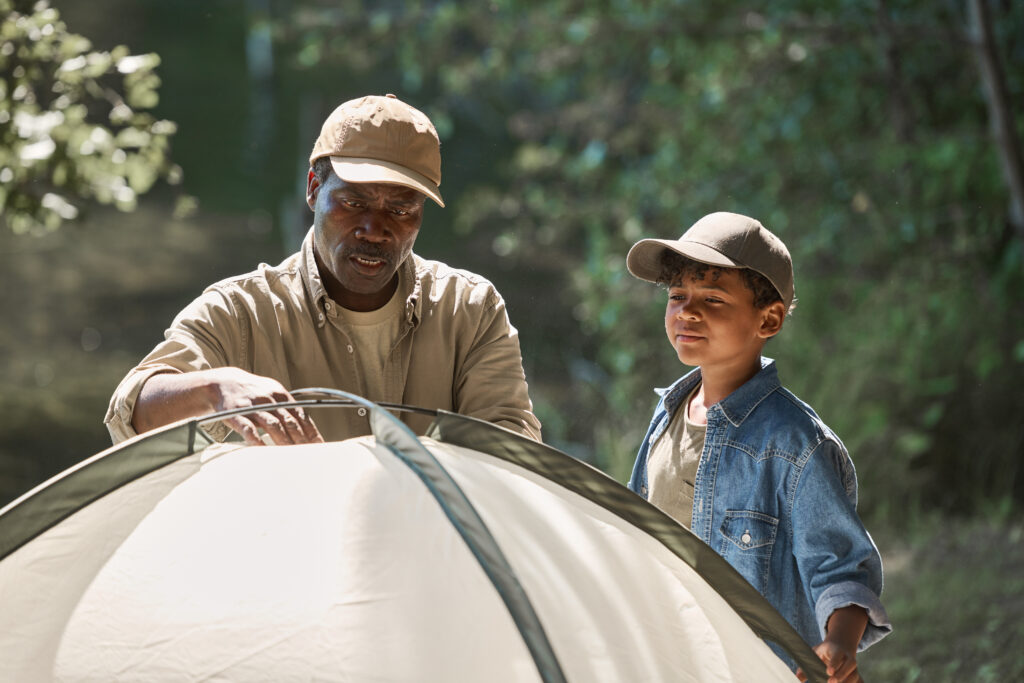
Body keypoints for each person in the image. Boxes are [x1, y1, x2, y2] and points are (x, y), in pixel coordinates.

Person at [105, 94, 541, 445]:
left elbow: (514, 449)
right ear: (313, 190)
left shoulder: (469, 309)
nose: (376, 230)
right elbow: (132, 413)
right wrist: (215, 388)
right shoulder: (240, 312)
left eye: (402, 209)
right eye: (354, 204)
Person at [624, 212, 890, 682]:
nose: (687, 311)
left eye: (713, 298)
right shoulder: (666, 414)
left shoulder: (795, 444)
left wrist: (839, 644)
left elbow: (842, 568)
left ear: (768, 319)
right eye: (677, 296)